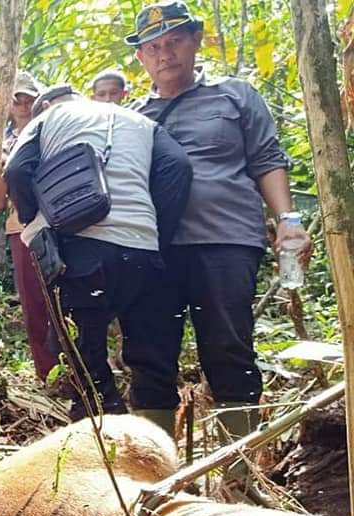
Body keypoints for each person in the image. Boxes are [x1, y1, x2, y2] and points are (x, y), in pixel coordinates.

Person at [126, 1, 312, 448]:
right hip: (155, 251)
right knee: (148, 359)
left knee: (229, 350)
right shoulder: (131, 116)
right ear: (140, 58)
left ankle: (239, 472)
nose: (164, 54)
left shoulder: (235, 95)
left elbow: (267, 158)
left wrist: (287, 219)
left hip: (226, 241)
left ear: (195, 39)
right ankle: (155, 479)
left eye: (174, 42)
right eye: (153, 47)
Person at [5, 85, 192, 421]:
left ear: (45, 105)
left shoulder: (47, 119)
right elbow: (178, 167)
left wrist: (35, 222)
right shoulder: (138, 120)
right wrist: (153, 231)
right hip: (144, 250)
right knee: (152, 362)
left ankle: (101, 437)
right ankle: (157, 452)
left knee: (85, 361)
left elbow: (17, 171)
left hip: (82, 250)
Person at [0, 70, 58, 379]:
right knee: (34, 305)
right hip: (22, 227)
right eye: (17, 99)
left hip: (60, 223)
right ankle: (48, 373)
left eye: (30, 97)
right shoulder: (0, 143)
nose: (24, 104)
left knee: (66, 299)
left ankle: (83, 369)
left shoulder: (53, 129)